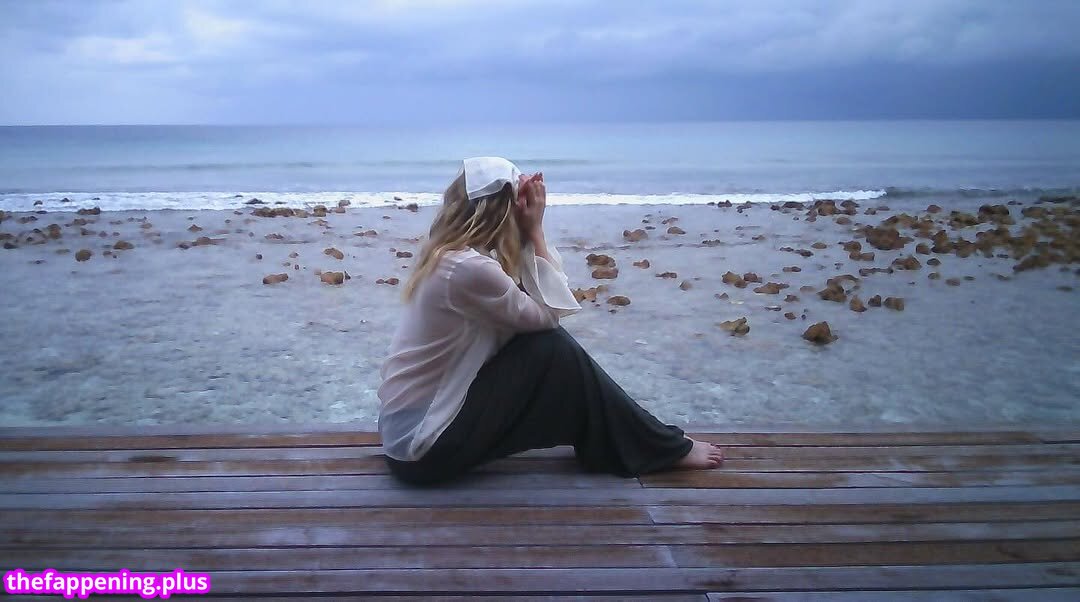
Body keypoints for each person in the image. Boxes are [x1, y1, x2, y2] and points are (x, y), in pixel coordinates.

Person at [377, 157, 723, 486]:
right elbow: (548, 317)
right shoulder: (468, 268)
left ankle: (637, 440)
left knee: (543, 348)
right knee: (552, 347)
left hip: (404, 434)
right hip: (423, 448)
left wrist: (526, 234)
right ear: (505, 210)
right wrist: (535, 231)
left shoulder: (448, 254)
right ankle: (655, 445)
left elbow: (536, 308)